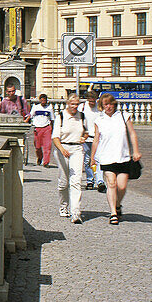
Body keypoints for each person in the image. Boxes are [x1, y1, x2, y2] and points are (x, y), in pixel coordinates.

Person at [89, 92, 142, 226]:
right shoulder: (99, 120)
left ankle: (118, 204)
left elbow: (132, 134)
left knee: (122, 186)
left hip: (123, 156)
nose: (108, 107)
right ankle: (113, 213)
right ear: (101, 105)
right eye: (105, 104)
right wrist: (93, 157)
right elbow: (96, 140)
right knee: (111, 184)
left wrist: (135, 151)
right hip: (106, 156)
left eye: (110, 104)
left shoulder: (124, 116)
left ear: (114, 104)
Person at [52, 94, 89, 223]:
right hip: (63, 150)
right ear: (68, 103)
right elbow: (55, 137)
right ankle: (63, 206)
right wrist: (62, 149)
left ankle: (76, 213)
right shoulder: (61, 117)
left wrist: (84, 138)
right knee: (64, 182)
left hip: (77, 149)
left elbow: (86, 131)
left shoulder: (82, 116)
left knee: (76, 181)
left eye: (76, 104)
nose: (74, 106)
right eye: (72, 104)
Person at [81, 89, 103, 191]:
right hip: (87, 137)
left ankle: (100, 181)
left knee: (98, 159)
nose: (92, 103)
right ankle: (90, 180)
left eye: (93, 101)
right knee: (87, 160)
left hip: (98, 138)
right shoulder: (83, 107)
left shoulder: (99, 108)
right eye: (90, 101)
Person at [30, 93, 55, 166]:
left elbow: (52, 119)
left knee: (47, 146)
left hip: (46, 128)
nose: (43, 102)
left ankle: (46, 162)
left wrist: (52, 129)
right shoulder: (35, 107)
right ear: (40, 100)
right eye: (42, 100)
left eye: (45, 101)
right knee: (37, 147)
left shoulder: (49, 108)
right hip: (37, 128)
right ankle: (40, 157)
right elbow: (30, 116)